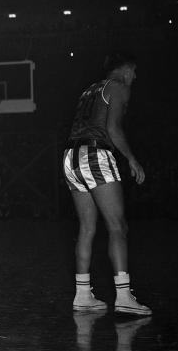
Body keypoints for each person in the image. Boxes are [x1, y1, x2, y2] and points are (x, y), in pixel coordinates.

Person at [63, 52, 150, 316]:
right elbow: (113, 129)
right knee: (117, 226)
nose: (135, 77)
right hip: (94, 154)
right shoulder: (119, 87)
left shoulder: (90, 90)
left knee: (87, 227)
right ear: (125, 70)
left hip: (70, 157)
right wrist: (132, 159)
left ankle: (82, 296)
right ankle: (123, 296)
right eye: (133, 71)